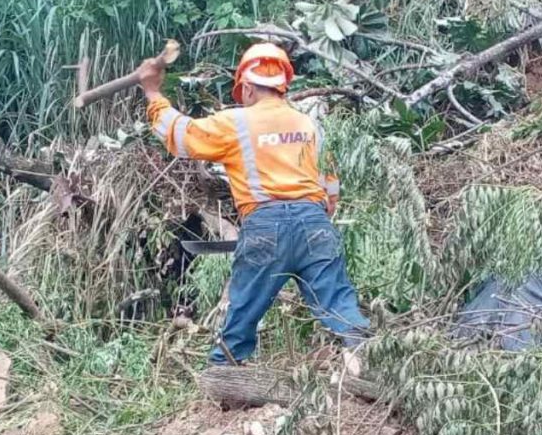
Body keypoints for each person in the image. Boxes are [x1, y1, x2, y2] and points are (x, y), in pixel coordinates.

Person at [137, 42, 370, 369]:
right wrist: (314, 217)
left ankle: (226, 376)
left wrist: (152, 93)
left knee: (244, 308)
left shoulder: (236, 122)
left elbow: (179, 135)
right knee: (338, 304)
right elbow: (330, 185)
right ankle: (365, 360)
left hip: (264, 226)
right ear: (282, 85)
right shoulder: (308, 124)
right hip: (315, 221)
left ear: (246, 86)